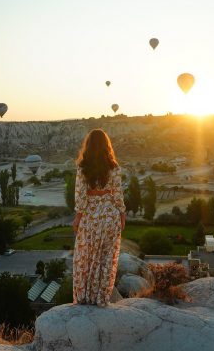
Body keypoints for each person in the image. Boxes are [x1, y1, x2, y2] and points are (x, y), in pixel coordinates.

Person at [72, 128, 126, 306]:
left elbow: (80, 196)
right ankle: (101, 297)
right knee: (106, 258)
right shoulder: (114, 167)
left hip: (90, 217)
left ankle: (84, 297)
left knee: (86, 257)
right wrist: (122, 215)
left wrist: (78, 217)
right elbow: (118, 194)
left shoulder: (82, 167)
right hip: (110, 215)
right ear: (106, 145)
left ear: (88, 145)